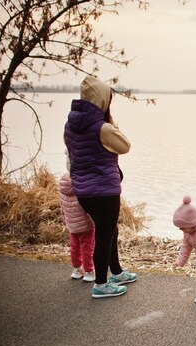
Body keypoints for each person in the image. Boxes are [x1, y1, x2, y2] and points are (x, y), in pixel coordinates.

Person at [64, 75, 138, 299]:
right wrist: (112, 124)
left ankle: (115, 272)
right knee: (105, 235)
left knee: (109, 230)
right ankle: (101, 284)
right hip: (104, 191)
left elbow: (72, 154)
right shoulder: (102, 128)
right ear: (103, 100)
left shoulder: (71, 124)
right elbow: (125, 146)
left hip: (83, 190)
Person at [59, 171, 95, 282]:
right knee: (87, 248)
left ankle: (77, 269)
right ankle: (89, 271)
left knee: (74, 248)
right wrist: (95, 222)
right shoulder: (81, 190)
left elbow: (62, 208)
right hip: (85, 226)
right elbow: (88, 209)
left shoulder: (62, 191)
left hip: (72, 225)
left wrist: (66, 221)